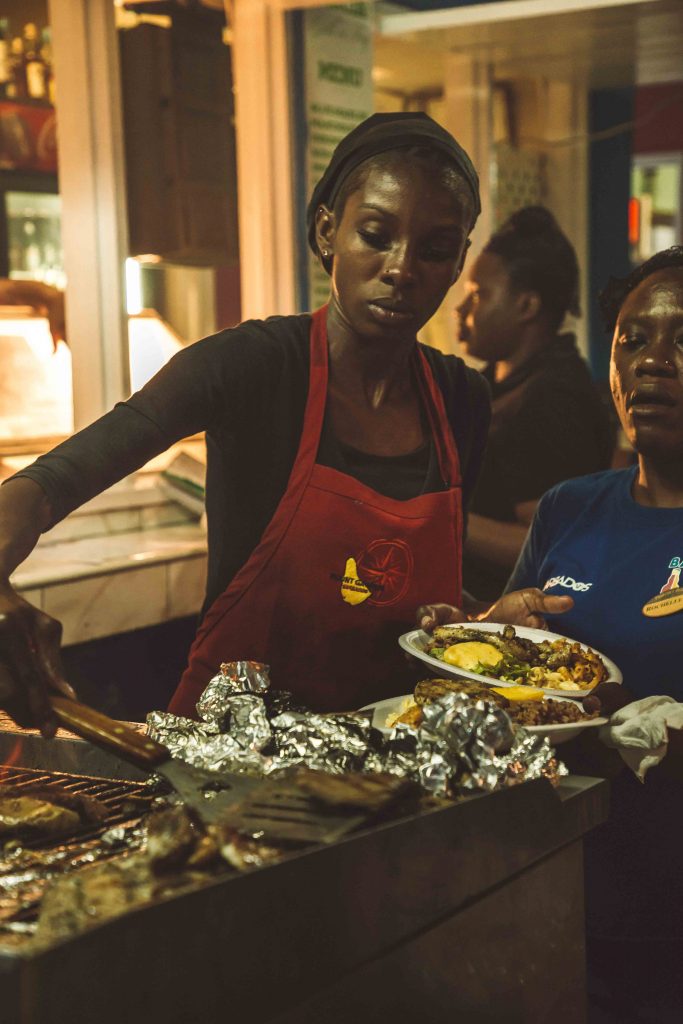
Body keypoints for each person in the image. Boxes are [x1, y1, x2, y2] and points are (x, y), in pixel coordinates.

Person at [0, 112, 569, 737]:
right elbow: (43, 485)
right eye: (376, 235)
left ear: (459, 259)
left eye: (434, 250)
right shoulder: (252, 367)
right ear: (328, 230)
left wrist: (483, 622)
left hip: (393, 762)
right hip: (233, 762)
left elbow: (417, 611)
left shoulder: (462, 399)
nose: (402, 268)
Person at [423, 246, 683, 1023]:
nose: (652, 363)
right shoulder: (569, 508)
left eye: (681, 342)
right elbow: (518, 688)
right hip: (556, 890)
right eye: (632, 340)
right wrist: (478, 642)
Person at [457, 206, 614, 602]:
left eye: (478, 296)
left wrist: (441, 519)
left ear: (526, 306)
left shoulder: (553, 400)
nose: (462, 311)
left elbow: (549, 542)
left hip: (512, 620)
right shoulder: (495, 380)